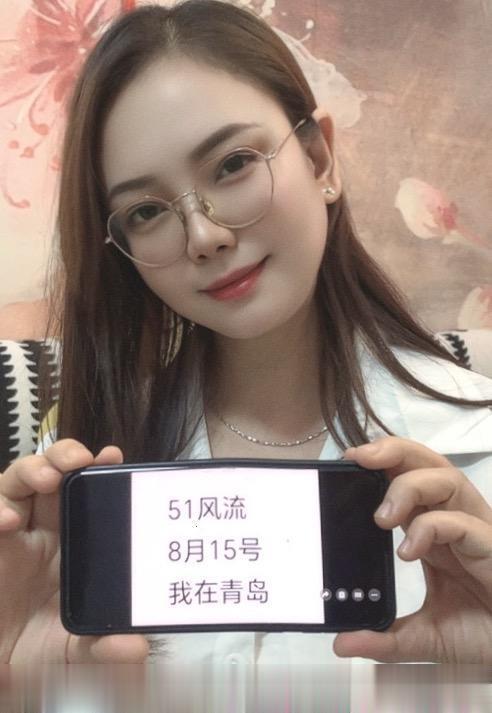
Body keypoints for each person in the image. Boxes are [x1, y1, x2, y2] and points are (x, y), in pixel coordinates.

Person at [0, 0, 491, 666]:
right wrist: (21, 687)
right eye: (145, 211)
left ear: (320, 158)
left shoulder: (477, 447)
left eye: (233, 164)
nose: (204, 236)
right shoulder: (78, 482)